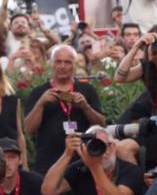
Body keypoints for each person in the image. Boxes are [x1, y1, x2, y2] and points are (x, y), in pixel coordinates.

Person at [23, 44, 106, 173]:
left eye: (67, 62)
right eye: (58, 62)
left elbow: (101, 124)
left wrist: (86, 107)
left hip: (82, 159)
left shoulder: (87, 90)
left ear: (74, 64)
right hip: (48, 161)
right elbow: (28, 129)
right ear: (51, 64)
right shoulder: (38, 92)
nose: (62, 66)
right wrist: (41, 103)